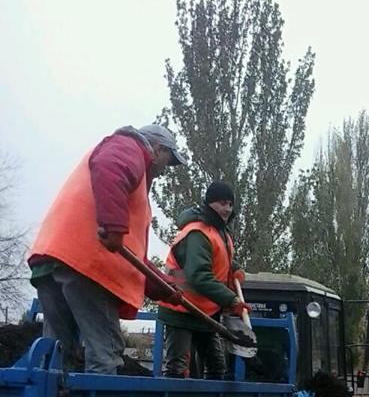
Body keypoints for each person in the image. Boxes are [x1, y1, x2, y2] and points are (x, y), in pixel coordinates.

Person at [28, 124, 185, 373]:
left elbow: (134, 258)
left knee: (58, 353)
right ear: (157, 149)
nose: (166, 170)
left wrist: (165, 288)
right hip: (88, 266)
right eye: (169, 159)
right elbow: (111, 168)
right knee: (105, 353)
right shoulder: (129, 147)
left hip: (55, 258)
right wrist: (114, 226)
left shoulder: (129, 180)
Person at [158, 182, 252, 379]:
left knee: (217, 366)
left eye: (230, 204)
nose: (227, 209)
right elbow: (199, 275)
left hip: (204, 311)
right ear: (210, 203)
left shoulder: (220, 232)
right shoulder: (197, 233)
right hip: (181, 307)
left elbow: (217, 258)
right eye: (222, 203)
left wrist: (234, 269)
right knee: (178, 367)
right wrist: (232, 300)